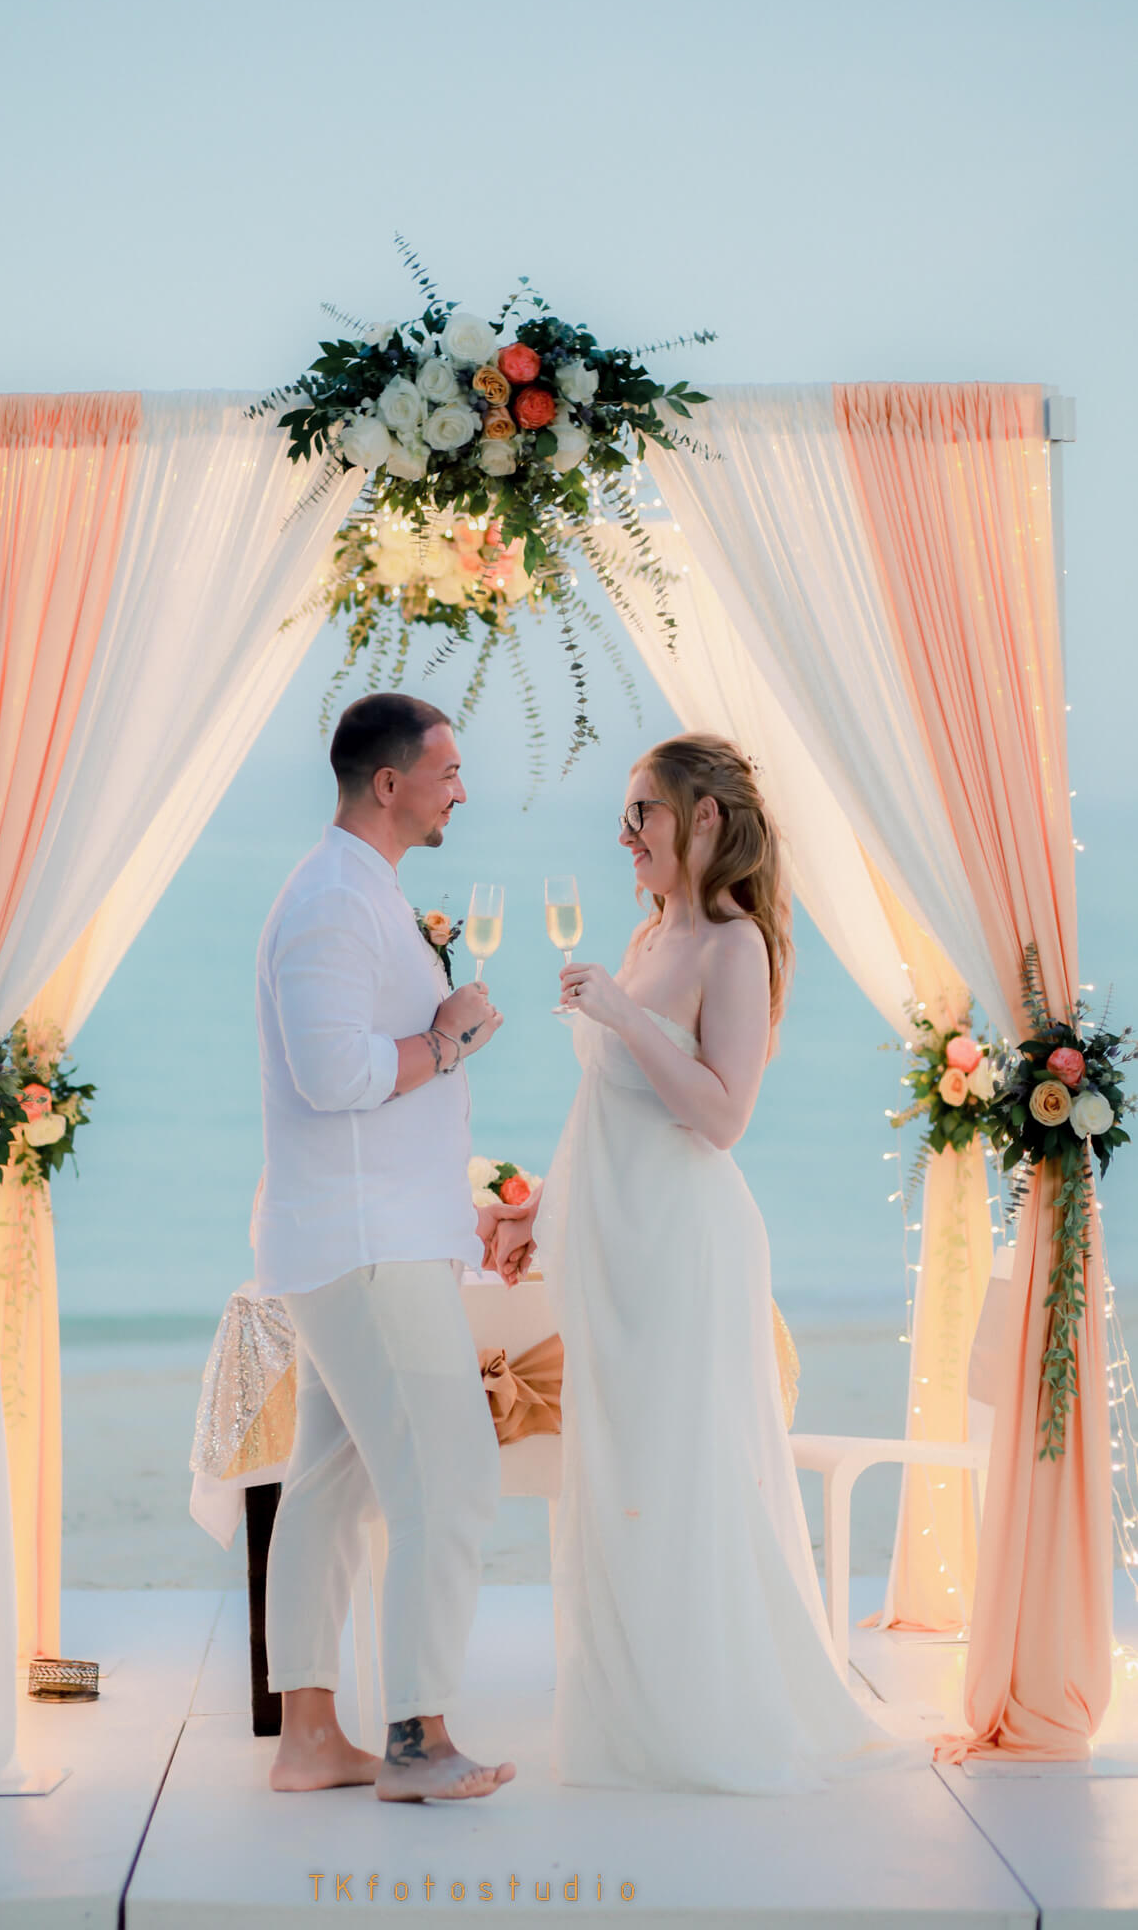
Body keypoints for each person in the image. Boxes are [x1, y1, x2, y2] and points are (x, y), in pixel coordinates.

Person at [499, 735, 906, 1793]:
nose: (624, 833)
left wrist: (625, 1015)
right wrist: (537, 1207)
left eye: (643, 812)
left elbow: (721, 1116)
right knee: (616, 1478)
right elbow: (607, 1110)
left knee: (681, 1475)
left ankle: (702, 1716)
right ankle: (628, 1713)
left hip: (682, 1247)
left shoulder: (731, 948)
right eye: (626, 813)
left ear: (706, 821)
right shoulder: (645, 934)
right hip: (612, 1244)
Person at [256, 693, 520, 1802]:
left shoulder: (364, 890)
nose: (461, 787)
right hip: (364, 1246)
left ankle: (312, 1738)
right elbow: (334, 1077)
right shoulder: (329, 900)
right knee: (450, 1480)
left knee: (328, 1478)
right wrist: (448, 1037)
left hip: (369, 1232)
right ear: (386, 782)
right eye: (447, 769)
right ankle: (417, 1740)